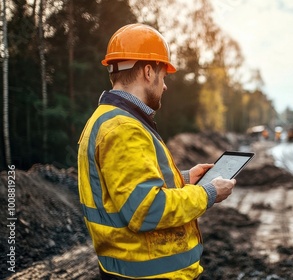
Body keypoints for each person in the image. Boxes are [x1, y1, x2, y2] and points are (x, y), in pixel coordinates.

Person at [77, 23, 236, 279]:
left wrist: (185, 179)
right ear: (149, 72)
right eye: (163, 77)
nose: (165, 86)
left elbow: (128, 191)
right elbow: (146, 209)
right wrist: (208, 193)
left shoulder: (111, 120)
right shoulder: (123, 128)